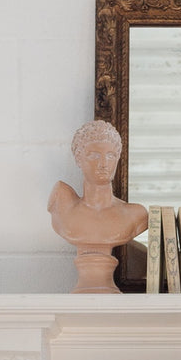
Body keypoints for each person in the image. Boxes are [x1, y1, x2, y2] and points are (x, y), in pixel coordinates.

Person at [48, 121, 148, 293]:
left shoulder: (135, 215)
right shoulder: (64, 207)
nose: (104, 163)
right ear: (79, 159)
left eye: (110, 155)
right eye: (94, 155)